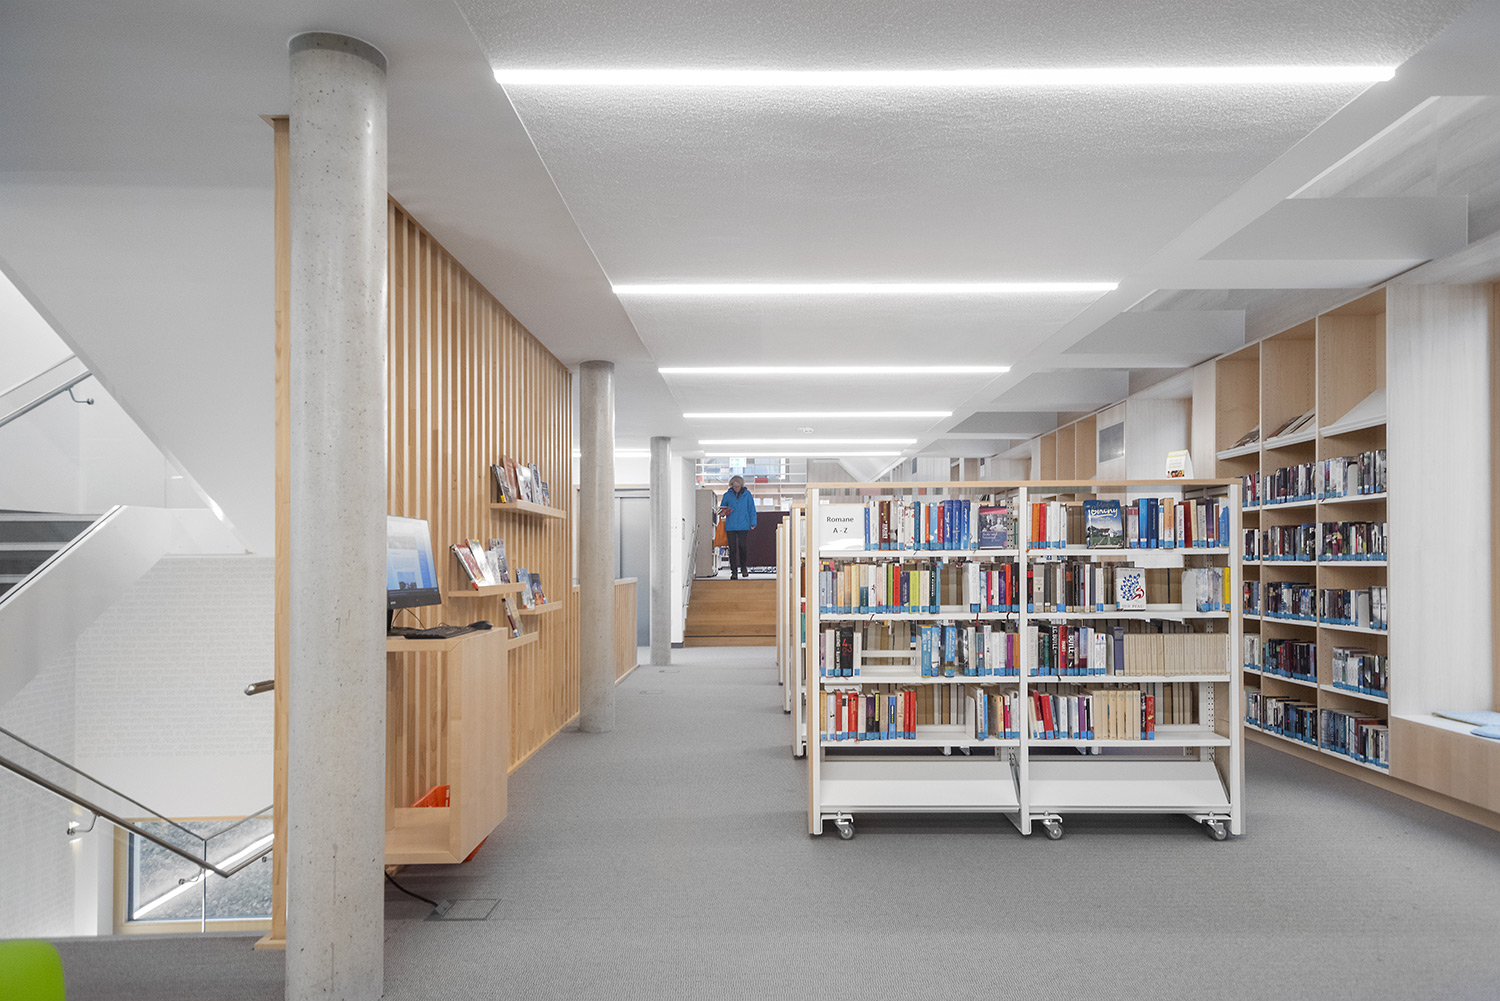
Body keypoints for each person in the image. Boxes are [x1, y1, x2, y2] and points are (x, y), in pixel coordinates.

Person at [719, 475, 758, 579]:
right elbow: (722, 508)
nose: (736, 488)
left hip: (743, 524)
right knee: (732, 549)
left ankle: (743, 567)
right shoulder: (727, 495)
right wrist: (723, 512)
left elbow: (751, 509)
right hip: (731, 525)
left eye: (738, 486)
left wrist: (753, 523)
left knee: (742, 546)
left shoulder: (747, 494)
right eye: (734, 486)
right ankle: (734, 571)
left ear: (741, 485)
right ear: (731, 485)